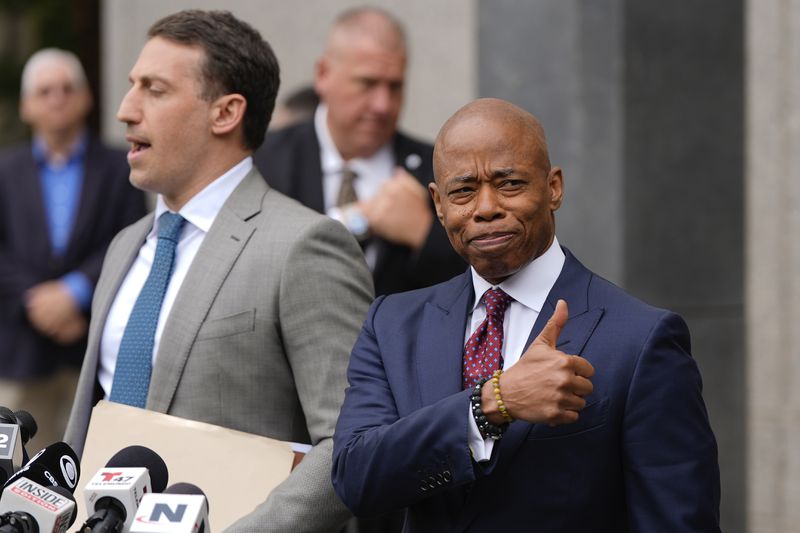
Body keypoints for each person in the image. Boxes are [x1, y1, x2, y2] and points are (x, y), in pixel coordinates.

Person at [332, 98, 721, 532]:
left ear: (553, 187)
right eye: (463, 191)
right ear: (438, 205)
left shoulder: (640, 339)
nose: (485, 207)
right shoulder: (392, 325)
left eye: (509, 184)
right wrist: (491, 404)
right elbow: (356, 479)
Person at [64, 10, 373, 531]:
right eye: (131, 85)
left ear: (226, 113)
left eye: (154, 90)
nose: (124, 110)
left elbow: (350, 443)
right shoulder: (123, 248)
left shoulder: (304, 245)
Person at [254, 7, 464, 296]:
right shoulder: (262, 160)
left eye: (395, 86)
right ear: (323, 74)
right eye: (367, 83)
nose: (383, 104)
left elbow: (482, 283)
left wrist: (424, 233)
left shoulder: (441, 169)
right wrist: (360, 219)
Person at [0, 48, 146, 452]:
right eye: (45, 91)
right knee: (14, 471)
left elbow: (131, 237)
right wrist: (36, 301)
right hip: (22, 351)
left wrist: (75, 293)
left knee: (91, 463)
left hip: (92, 344)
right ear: (27, 106)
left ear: (86, 98)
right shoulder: (5, 172)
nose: (57, 98)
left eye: (68, 88)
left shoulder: (123, 166)